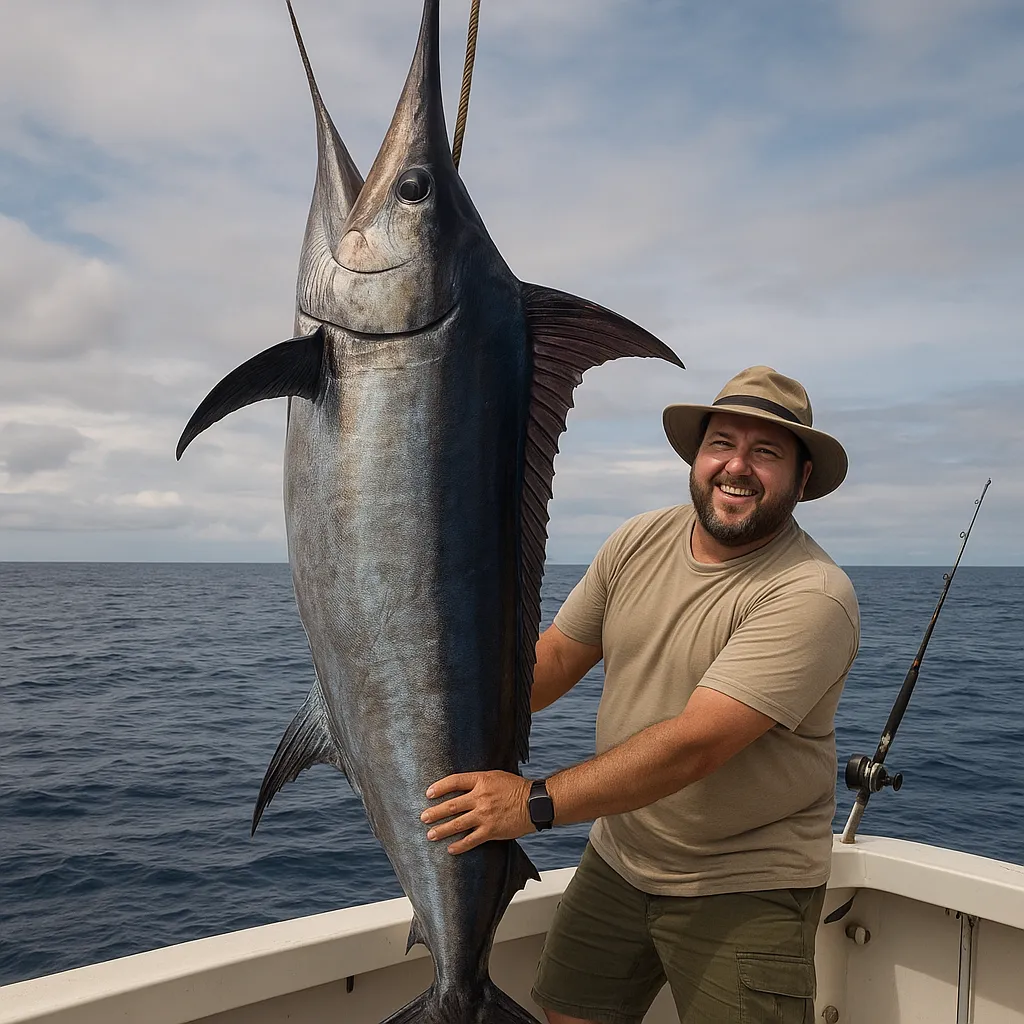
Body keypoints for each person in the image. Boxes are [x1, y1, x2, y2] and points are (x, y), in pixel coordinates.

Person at [421, 365, 860, 1023]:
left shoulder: (811, 594)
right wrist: (430, 714)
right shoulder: (638, 539)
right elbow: (553, 661)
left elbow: (695, 745)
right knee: (572, 1012)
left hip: (746, 878)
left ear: (801, 479)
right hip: (623, 855)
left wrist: (531, 803)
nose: (736, 466)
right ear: (697, 456)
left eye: (766, 452)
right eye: (722, 443)